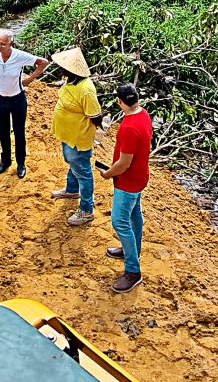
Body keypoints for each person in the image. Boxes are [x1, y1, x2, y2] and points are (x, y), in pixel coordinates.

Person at [98, 83, 152, 293]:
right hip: (140, 176)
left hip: (128, 181)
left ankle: (133, 271)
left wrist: (108, 173)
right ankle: (132, 250)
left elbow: (123, 164)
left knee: (119, 221)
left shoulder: (128, 127)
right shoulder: (143, 115)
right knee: (134, 215)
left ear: (119, 101)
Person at [0, 29, 49, 179]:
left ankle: (21, 163)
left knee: (19, 132)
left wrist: (29, 79)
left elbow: (43, 63)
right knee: (3, 131)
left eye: (3, 44)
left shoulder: (20, 56)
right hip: (1, 98)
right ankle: (5, 161)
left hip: (18, 99)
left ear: (11, 43)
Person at [49, 47, 102, 226]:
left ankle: (87, 209)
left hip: (79, 137)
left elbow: (96, 117)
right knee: (73, 163)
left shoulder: (86, 90)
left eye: (62, 66)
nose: (59, 68)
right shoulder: (70, 80)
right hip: (68, 134)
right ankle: (72, 189)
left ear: (71, 69)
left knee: (82, 170)